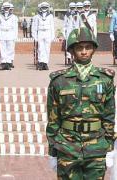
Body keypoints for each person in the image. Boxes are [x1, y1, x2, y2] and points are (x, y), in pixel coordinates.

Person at [46, 27, 116, 179]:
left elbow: (109, 117)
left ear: (93, 49)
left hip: (96, 147)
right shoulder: (59, 81)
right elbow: (53, 119)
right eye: (79, 48)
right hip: (67, 147)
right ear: (72, 50)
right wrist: (52, 152)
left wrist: (110, 149)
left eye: (88, 47)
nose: (84, 52)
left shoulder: (105, 79)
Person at [31, 1, 55, 70]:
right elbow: (34, 27)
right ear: (40, 8)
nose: (44, 8)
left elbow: (52, 26)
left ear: (47, 8)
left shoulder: (50, 16)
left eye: (45, 7)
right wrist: (34, 36)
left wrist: (52, 36)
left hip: (48, 32)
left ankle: (45, 63)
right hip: (40, 32)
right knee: (40, 49)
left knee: (47, 49)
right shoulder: (37, 16)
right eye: (43, 7)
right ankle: (41, 62)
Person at [0, 2, 18, 70]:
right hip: (2, 34)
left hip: (10, 34)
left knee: (10, 49)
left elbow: (15, 28)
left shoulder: (13, 17)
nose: (6, 9)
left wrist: (15, 36)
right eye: (5, 7)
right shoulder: (0, 16)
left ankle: (8, 63)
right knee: (2, 49)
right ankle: (3, 63)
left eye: (8, 7)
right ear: (3, 8)